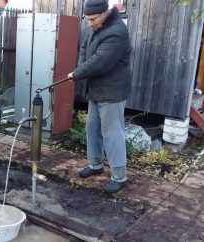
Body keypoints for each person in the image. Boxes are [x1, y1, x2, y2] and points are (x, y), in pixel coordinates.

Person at [68, 0, 132, 193]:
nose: (90, 23)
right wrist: (80, 69)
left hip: (112, 91)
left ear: (105, 12)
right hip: (96, 89)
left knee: (112, 132)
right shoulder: (96, 28)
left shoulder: (117, 32)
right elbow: (84, 50)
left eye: (93, 19)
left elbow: (100, 61)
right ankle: (95, 165)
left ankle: (119, 177)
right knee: (92, 127)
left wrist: (78, 74)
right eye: (87, 19)